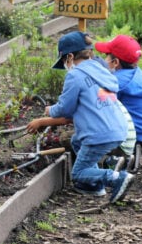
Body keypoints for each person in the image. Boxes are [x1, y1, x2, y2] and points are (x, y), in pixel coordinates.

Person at [27, 32, 134, 203]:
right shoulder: (101, 70)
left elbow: (65, 109)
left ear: (69, 56)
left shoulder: (75, 75)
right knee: (77, 141)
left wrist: (50, 110)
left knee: (78, 172)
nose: (65, 66)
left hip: (99, 134)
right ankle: (94, 185)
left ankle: (116, 177)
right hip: (117, 129)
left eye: (64, 61)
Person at [95, 35, 142, 160]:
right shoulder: (137, 74)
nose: (104, 59)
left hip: (131, 138)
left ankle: (109, 162)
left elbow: (98, 104)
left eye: (106, 55)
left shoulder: (117, 81)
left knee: (79, 138)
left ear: (115, 62)